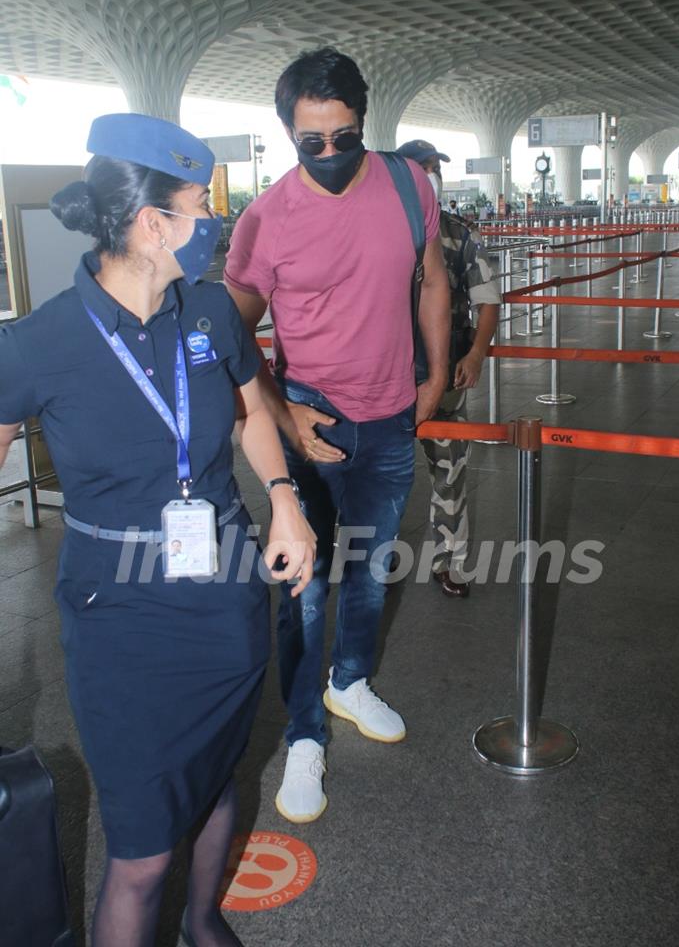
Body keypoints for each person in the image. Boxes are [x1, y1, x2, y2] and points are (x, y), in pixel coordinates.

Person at [0, 113, 316, 947]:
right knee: (140, 850)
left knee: (216, 784)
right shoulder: (38, 344)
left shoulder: (209, 312)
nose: (213, 224)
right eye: (198, 208)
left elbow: (249, 406)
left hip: (226, 600)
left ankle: (204, 920)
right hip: (121, 620)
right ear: (150, 225)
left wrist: (283, 495)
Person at [224, 47, 450, 824]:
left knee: (371, 570)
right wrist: (284, 414)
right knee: (306, 590)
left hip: (390, 417)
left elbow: (433, 278)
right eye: (308, 142)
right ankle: (304, 735)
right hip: (309, 424)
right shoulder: (266, 218)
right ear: (288, 134)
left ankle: (349, 681)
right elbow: (230, 343)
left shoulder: (406, 183)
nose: (327, 154)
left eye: (342, 137)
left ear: (365, 119)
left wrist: (437, 375)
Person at [396, 139, 501, 598]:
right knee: (381, 478)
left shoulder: (458, 234)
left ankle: (450, 563)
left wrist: (476, 352)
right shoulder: (379, 229)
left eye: (436, 168)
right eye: (426, 167)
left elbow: (488, 300)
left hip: (446, 379)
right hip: (385, 377)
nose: (433, 174)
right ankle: (371, 565)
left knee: (450, 473)